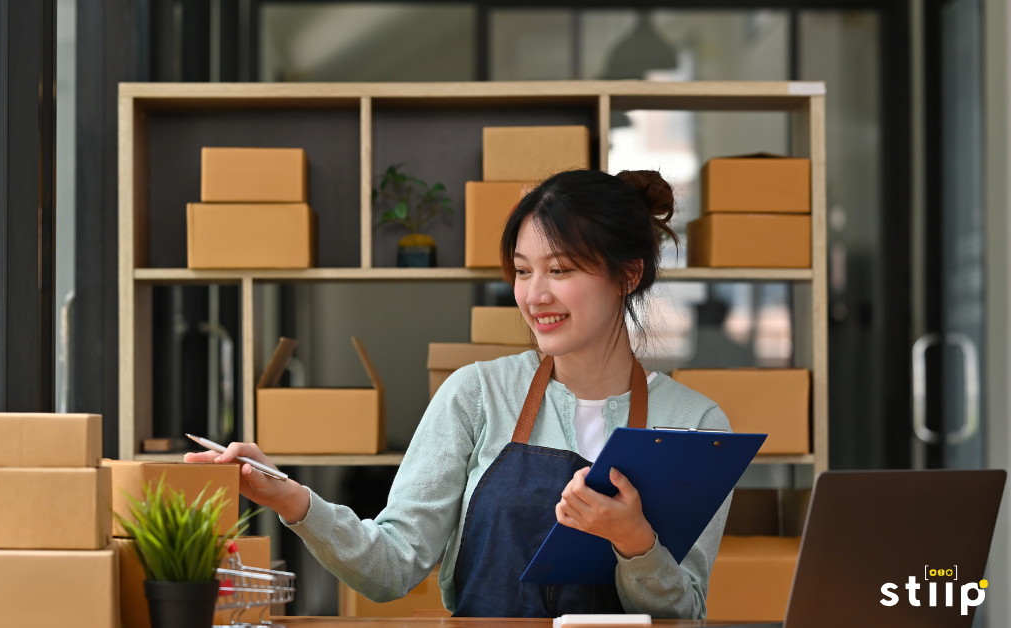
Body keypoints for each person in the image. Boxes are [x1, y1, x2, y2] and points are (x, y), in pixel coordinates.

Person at [187, 169, 733, 618]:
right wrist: (290, 498)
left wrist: (635, 541)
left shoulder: (696, 425)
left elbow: (685, 612)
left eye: (561, 269)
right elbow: (392, 567)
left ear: (628, 275)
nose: (535, 294)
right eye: (522, 271)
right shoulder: (477, 395)